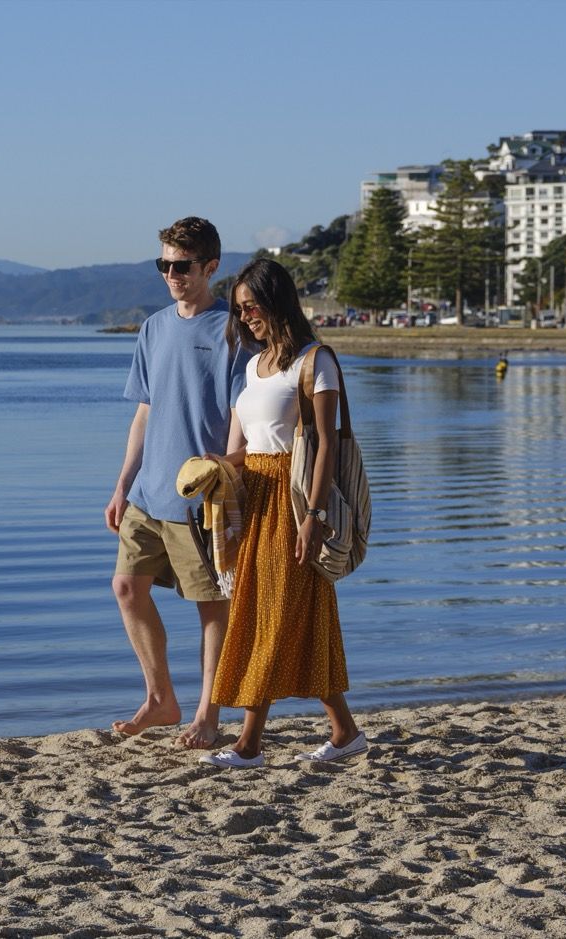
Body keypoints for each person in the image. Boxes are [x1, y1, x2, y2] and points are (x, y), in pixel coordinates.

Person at [200, 258, 364, 768]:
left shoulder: (317, 362)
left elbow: (326, 449)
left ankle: (249, 744)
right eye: (239, 308)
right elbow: (241, 451)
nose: (245, 316)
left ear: (277, 301)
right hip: (254, 502)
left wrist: (314, 514)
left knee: (269, 616)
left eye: (252, 306)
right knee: (292, 615)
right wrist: (207, 467)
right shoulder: (250, 368)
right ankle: (345, 732)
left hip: (293, 503)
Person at [106, 217, 256, 749]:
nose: (171, 274)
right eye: (164, 264)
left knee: (212, 608)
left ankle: (208, 715)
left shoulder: (232, 330)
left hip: (200, 497)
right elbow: (145, 411)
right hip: (149, 492)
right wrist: (123, 483)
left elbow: (244, 408)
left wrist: (231, 462)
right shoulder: (153, 327)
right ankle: (159, 698)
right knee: (126, 588)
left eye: (182, 266)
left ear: (210, 266)